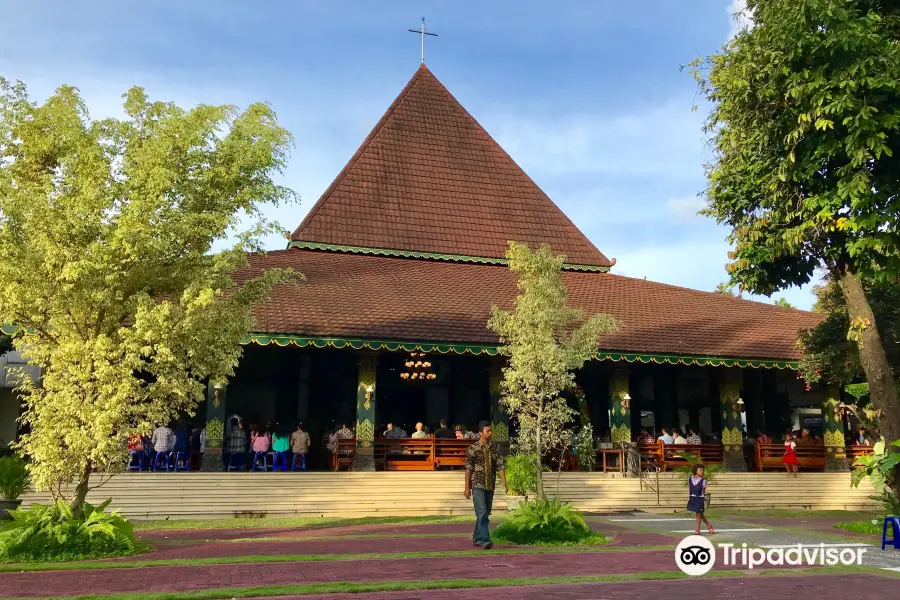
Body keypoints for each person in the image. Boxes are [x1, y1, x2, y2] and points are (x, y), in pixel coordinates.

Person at [464, 421, 508, 550]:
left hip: (490, 484)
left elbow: (500, 465)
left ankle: (477, 537)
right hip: (477, 484)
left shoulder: (495, 447)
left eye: (490, 431)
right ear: (480, 433)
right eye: (487, 431)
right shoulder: (473, 448)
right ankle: (485, 540)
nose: (490, 433)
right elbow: (468, 468)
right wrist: (467, 488)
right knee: (482, 512)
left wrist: (504, 481)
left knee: (486, 513)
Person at [687, 464, 715, 535]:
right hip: (692, 497)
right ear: (695, 470)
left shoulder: (703, 481)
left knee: (698, 514)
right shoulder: (690, 478)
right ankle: (709, 525)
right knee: (700, 513)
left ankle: (697, 530)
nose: (702, 471)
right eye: (700, 470)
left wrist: (702, 499)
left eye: (703, 470)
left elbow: (703, 491)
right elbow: (690, 488)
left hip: (699, 498)